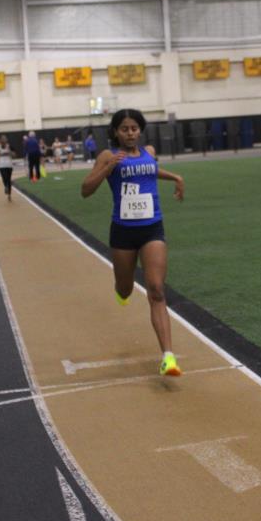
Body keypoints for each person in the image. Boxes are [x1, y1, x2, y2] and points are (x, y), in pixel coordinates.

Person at [81, 109, 185, 377]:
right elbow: (86, 190)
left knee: (156, 289)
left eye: (134, 128)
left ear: (140, 130)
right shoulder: (108, 155)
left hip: (152, 228)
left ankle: (168, 357)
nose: (130, 133)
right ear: (116, 132)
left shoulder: (149, 151)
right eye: (125, 129)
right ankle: (121, 290)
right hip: (123, 232)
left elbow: (150, 171)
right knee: (125, 288)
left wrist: (175, 177)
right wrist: (107, 169)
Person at [0, 134, 14, 201]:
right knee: (4, 178)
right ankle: (6, 187)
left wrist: (9, 151)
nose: (4, 140)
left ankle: (9, 194)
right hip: (1, 165)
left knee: (9, 179)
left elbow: (14, 155)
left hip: (9, 165)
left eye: (5, 138)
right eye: (2, 139)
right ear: (1, 140)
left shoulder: (9, 146)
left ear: (6, 140)